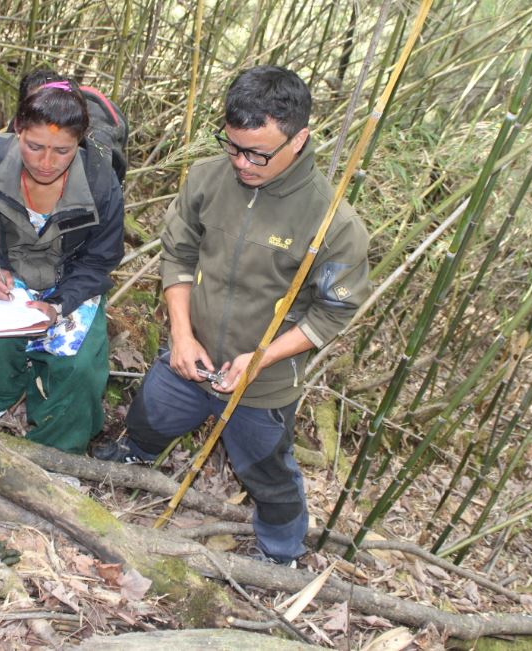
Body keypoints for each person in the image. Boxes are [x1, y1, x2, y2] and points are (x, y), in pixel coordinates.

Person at [94, 66, 370, 566]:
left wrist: (262, 358)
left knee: (267, 471)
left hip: (263, 381)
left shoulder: (333, 221)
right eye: (233, 147)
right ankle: (134, 454)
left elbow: (334, 311)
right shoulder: (208, 179)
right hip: (190, 353)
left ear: (299, 138)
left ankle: (281, 553)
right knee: (150, 416)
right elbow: (177, 254)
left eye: (258, 154)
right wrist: (180, 335)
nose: (243, 163)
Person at [0, 78, 124, 454]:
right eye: (34, 145)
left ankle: (56, 451)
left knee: (79, 368)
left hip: (70, 281)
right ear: (17, 129)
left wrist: (60, 304)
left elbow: (101, 260)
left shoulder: (100, 183)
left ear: (81, 142)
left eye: (62, 151)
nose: (45, 162)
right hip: (9, 272)